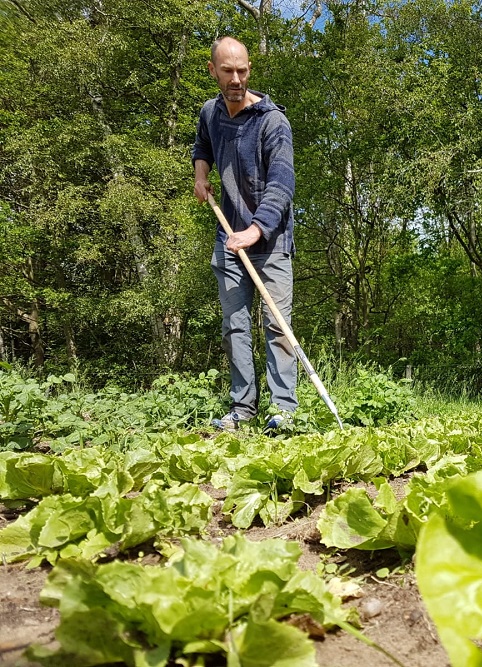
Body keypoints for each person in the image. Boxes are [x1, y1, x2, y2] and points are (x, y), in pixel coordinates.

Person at [192, 36, 297, 433]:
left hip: (269, 243)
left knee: (277, 326)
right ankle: (242, 411)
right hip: (227, 238)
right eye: (228, 71)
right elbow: (202, 144)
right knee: (235, 325)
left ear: (249, 70)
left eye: (243, 71)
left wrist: (256, 230)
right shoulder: (210, 112)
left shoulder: (273, 122)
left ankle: (283, 412)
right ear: (213, 70)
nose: (236, 79)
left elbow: (282, 184)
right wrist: (202, 175)